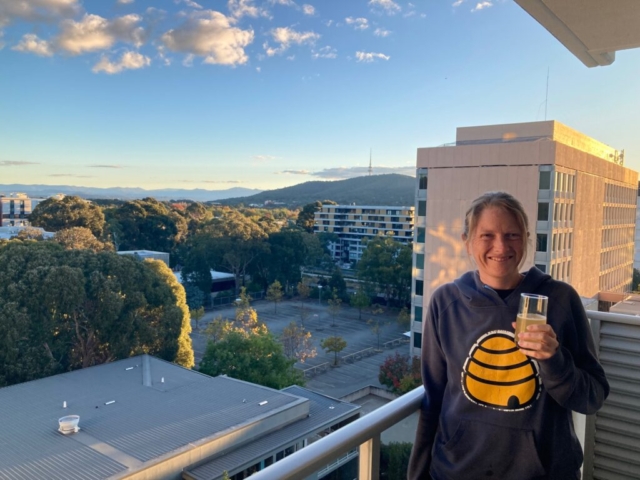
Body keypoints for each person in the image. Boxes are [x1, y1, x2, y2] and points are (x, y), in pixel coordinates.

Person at [408, 191, 609, 480]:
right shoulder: (446, 302)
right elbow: (434, 399)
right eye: (487, 235)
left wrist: (554, 360)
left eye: (512, 235)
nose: (500, 246)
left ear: (527, 238)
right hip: (456, 471)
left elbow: (592, 398)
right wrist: (417, 474)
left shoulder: (560, 300)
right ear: (467, 241)